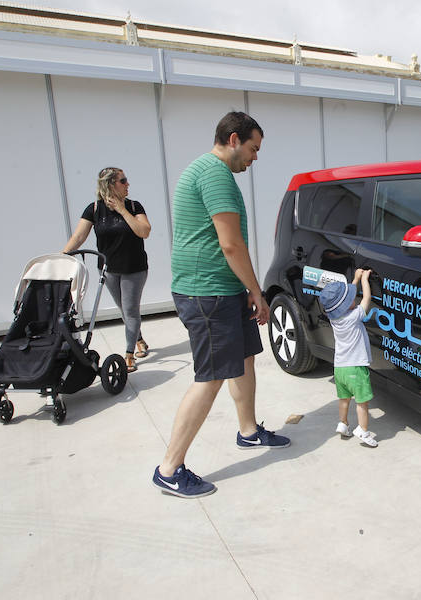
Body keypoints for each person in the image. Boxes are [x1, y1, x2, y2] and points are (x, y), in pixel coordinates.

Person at [152, 112, 289, 499]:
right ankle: (169, 468)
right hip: (207, 292)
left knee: (243, 358)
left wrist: (243, 289)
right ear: (233, 139)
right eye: (253, 148)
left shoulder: (206, 171)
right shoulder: (214, 176)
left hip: (222, 288)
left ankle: (248, 431)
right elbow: (230, 244)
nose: (255, 158)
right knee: (211, 376)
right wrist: (257, 291)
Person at [63, 167, 151, 373]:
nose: (128, 184)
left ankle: (129, 354)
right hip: (109, 270)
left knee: (130, 310)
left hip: (134, 268)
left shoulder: (133, 206)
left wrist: (122, 210)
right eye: (123, 180)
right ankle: (139, 340)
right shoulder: (94, 209)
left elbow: (144, 231)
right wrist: (64, 255)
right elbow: (79, 237)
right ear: (111, 184)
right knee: (125, 310)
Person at [319, 268, 378, 448]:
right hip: (355, 368)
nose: (355, 299)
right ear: (347, 305)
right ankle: (363, 430)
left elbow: (345, 300)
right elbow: (367, 299)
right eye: (352, 299)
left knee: (344, 399)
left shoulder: (334, 319)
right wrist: (365, 280)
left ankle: (343, 424)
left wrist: (355, 279)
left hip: (340, 368)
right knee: (362, 401)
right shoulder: (354, 316)